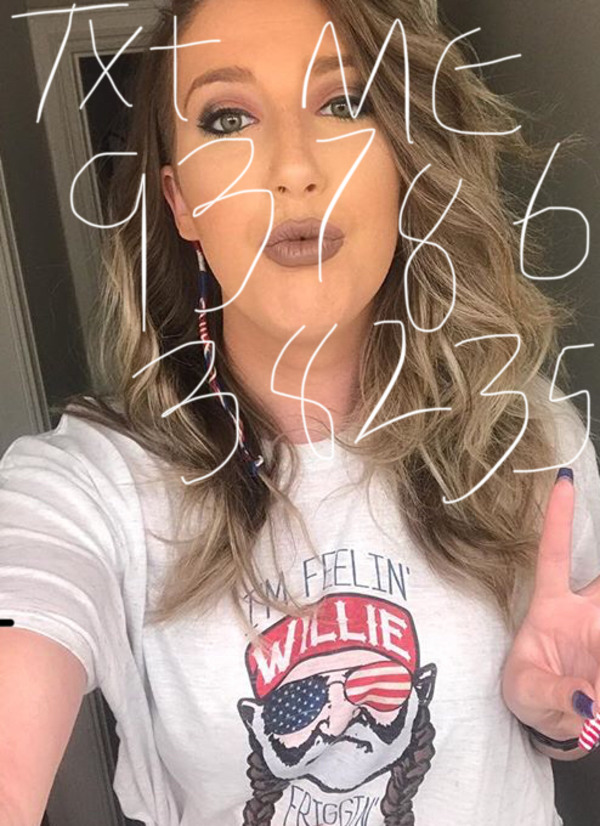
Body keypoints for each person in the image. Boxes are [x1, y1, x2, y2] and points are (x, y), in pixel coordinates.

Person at [1, 0, 599, 824]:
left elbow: (560, 702)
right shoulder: (88, 490)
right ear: (180, 201)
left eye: (344, 103)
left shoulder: (528, 438)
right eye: (228, 117)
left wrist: (555, 717)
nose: (293, 167)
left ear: (403, 161)